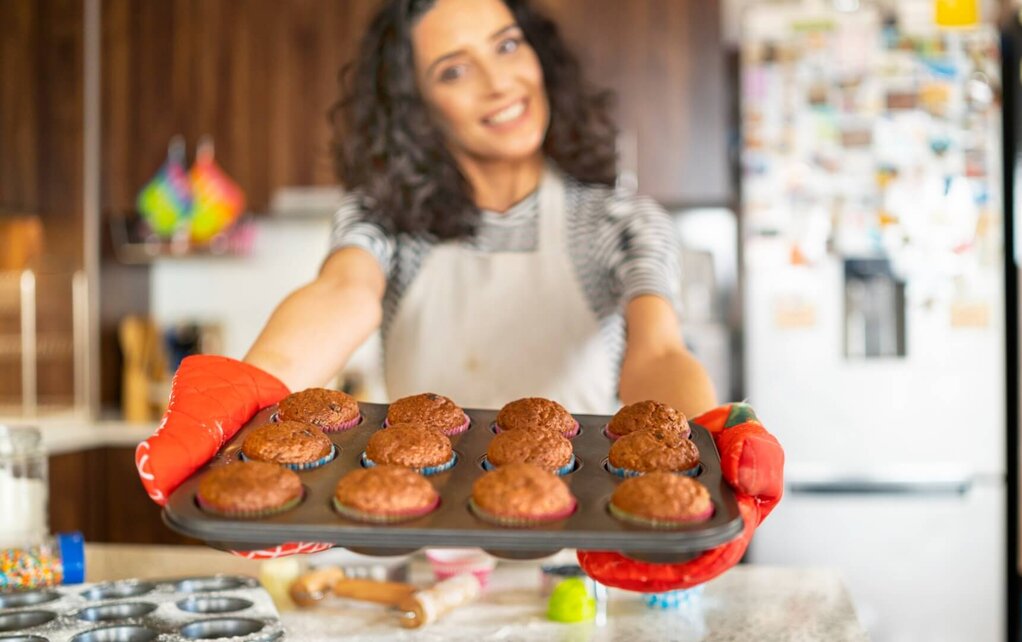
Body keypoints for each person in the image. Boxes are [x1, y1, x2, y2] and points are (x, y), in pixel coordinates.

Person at [136, 0, 783, 592]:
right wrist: (251, 385)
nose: (499, 82)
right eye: (453, 70)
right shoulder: (386, 217)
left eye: (507, 46)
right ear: (414, 103)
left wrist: (707, 441)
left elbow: (658, 353)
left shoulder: (620, 222)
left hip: (576, 566)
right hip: (411, 566)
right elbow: (344, 291)